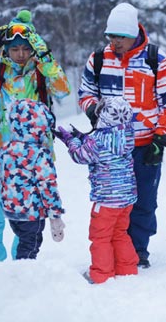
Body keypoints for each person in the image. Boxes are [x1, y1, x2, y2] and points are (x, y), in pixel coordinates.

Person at [78, 3, 166, 268]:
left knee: (144, 200)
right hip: (110, 148)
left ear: (134, 32)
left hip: (145, 144)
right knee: (113, 201)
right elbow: (86, 92)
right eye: (111, 36)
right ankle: (114, 248)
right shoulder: (99, 59)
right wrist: (93, 111)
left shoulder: (157, 60)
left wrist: (161, 137)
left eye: (120, 37)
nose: (115, 42)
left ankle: (137, 250)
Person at [0, 10, 70, 261]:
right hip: (3, 154)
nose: (20, 54)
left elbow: (63, 90)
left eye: (26, 49)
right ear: (6, 48)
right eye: (14, 49)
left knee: (29, 216)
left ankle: (23, 266)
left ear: (33, 49)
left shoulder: (41, 71)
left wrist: (46, 54)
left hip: (37, 155)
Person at [55, 97, 139, 283]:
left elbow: (81, 155)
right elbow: (96, 144)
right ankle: (127, 270)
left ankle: (101, 274)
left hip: (107, 200)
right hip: (126, 199)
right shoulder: (126, 134)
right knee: (119, 233)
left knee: (100, 237)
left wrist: (70, 140)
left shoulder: (99, 141)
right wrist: (81, 137)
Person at [0, 99, 65, 259]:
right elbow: (48, 186)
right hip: (31, 214)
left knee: (24, 241)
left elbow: (0, 175)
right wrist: (55, 216)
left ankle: (24, 272)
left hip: (11, 212)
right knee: (30, 246)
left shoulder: (5, 150)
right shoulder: (40, 154)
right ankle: (24, 276)